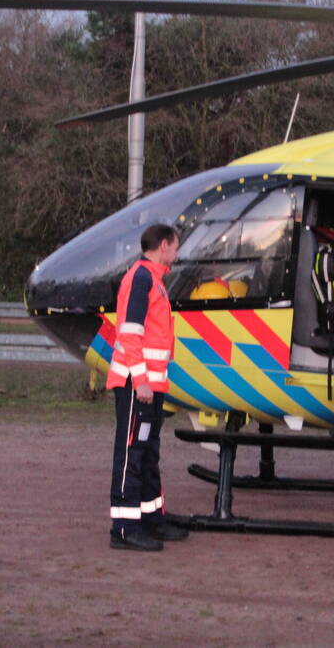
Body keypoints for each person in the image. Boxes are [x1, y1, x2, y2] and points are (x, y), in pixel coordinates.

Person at [105, 223, 189, 551]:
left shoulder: (152, 278)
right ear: (164, 245)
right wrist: (140, 381)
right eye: (176, 246)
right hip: (136, 384)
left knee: (148, 451)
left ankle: (150, 519)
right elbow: (129, 334)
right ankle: (124, 528)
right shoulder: (142, 278)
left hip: (150, 384)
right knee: (132, 453)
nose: (177, 253)